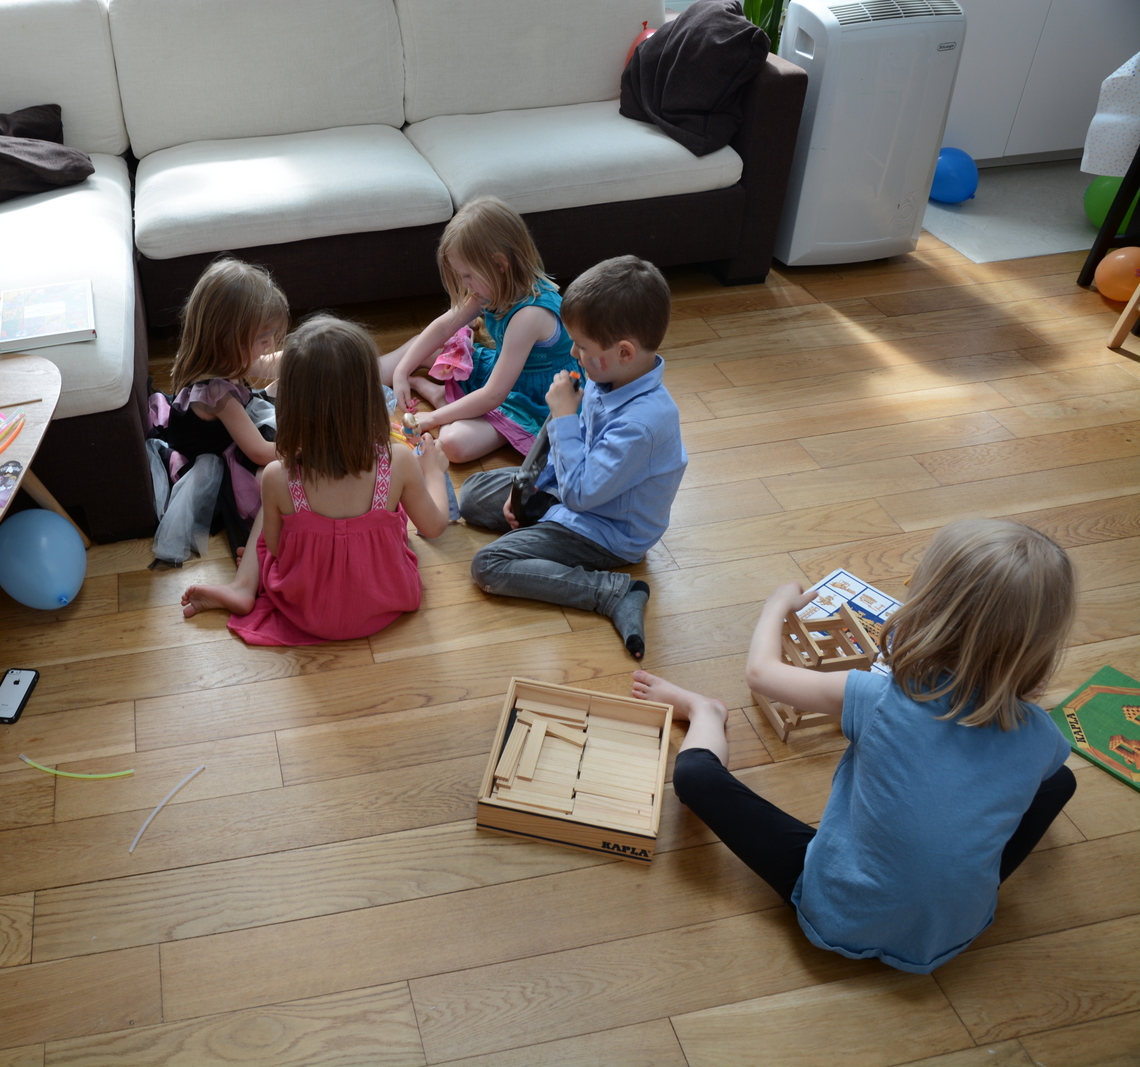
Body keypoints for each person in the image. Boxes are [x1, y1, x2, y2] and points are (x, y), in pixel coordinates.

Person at [633, 518, 1079, 974]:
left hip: (839, 911)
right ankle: (947, 885)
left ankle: (705, 713)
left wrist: (776, 604)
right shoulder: (1044, 736)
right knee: (1059, 779)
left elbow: (761, 673)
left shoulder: (880, 698)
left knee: (695, 777)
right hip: (948, 930)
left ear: (926, 608)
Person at [458, 256, 686, 660]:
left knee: (489, 565)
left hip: (605, 530)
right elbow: (562, 440)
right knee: (473, 494)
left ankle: (612, 592)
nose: (573, 353)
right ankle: (538, 517)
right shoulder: (607, 374)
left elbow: (581, 495)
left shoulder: (644, 425)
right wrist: (526, 487)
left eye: (582, 346)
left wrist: (564, 415)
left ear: (624, 352)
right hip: (572, 487)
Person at [181, 316, 451, 643]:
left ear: (291, 405)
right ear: (369, 397)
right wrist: (433, 472)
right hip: (388, 600)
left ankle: (245, 583)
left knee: (271, 532)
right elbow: (434, 526)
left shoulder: (279, 475)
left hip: (306, 610)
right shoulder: (399, 462)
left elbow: (278, 548)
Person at [379, 197, 578, 463]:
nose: (465, 284)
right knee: (427, 346)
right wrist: (402, 371)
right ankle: (358, 377)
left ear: (499, 265)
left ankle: (442, 398)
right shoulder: (494, 286)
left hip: (533, 400)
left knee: (453, 443)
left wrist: (433, 419)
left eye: (467, 275)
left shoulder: (529, 316)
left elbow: (494, 395)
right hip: (501, 374)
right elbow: (443, 327)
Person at [167, 257, 288, 470]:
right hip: (225, 462)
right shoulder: (216, 393)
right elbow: (260, 452)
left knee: (291, 381)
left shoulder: (223, 358)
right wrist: (311, 449)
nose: (270, 345)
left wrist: (306, 356)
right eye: (263, 340)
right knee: (277, 473)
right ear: (230, 341)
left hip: (239, 430)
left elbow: (271, 365)